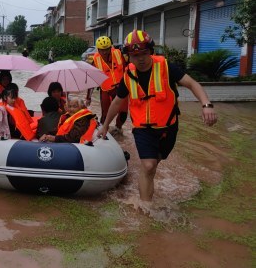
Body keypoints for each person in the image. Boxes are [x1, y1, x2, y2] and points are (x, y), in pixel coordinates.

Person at [99, 29, 218, 202]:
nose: (140, 58)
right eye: (134, 55)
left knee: (154, 164)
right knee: (148, 165)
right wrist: (104, 126)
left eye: (144, 53)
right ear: (129, 57)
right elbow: (117, 102)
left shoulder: (166, 67)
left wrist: (206, 105)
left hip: (169, 127)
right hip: (142, 128)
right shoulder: (128, 75)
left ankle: (145, 181)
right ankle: (146, 208)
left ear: (151, 51)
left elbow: (192, 84)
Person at [92, 35, 128, 136]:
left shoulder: (118, 53)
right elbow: (91, 78)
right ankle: (102, 131)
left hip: (121, 88)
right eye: (102, 50)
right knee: (105, 114)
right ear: (98, 50)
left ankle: (118, 128)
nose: (104, 52)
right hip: (105, 90)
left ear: (110, 47)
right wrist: (88, 97)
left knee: (123, 113)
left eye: (107, 49)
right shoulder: (95, 60)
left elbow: (127, 68)